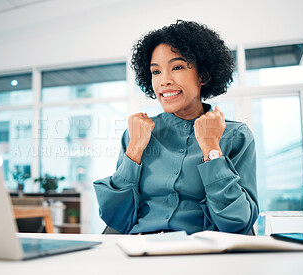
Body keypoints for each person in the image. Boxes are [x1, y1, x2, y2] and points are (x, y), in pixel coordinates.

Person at [93, 20, 258, 235]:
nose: (164, 81)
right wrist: (134, 150)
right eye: (156, 72)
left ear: (204, 76)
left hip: (201, 255)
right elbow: (117, 220)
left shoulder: (236, 136)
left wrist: (211, 149)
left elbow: (236, 222)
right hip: (139, 250)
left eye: (177, 67)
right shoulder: (136, 134)